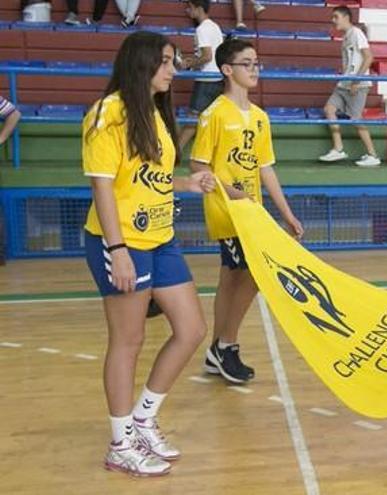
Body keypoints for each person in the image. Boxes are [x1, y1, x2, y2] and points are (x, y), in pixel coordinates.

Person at [82, 31, 215, 477]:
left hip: (161, 237)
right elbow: (103, 185)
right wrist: (117, 250)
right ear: (141, 63)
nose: (173, 70)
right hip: (121, 242)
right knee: (128, 340)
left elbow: (144, 178)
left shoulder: (155, 114)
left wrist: (187, 184)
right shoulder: (108, 114)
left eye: (173, 61)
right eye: (164, 62)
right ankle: (120, 443)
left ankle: (142, 418)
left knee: (193, 328)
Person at [191, 38, 305, 384]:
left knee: (231, 279)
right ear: (227, 69)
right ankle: (228, 345)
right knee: (256, 272)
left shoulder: (260, 117)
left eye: (257, 62)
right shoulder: (214, 114)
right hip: (228, 211)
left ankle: (216, 351)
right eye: (246, 63)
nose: (255, 69)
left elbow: (265, 168)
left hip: (251, 211)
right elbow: (198, 165)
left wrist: (286, 213)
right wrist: (232, 193)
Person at [318, 6, 382, 168]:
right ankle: (338, 148)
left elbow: (369, 57)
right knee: (329, 109)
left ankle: (373, 155)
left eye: (336, 17)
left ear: (346, 17)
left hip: (357, 84)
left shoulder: (357, 33)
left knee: (356, 119)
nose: (333, 21)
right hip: (344, 83)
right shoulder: (346, 37)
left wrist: (356, 80)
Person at [178, 0, 224, 149]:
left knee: (191, 122)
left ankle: (172, 157)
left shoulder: (202, 29)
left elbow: (207, 56)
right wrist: (193, 61)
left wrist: (189, 64)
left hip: (206, 81)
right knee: (210, 121)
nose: (187, 11)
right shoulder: (215, 26)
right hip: (218, 79)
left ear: (198, 8)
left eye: (189, 7)